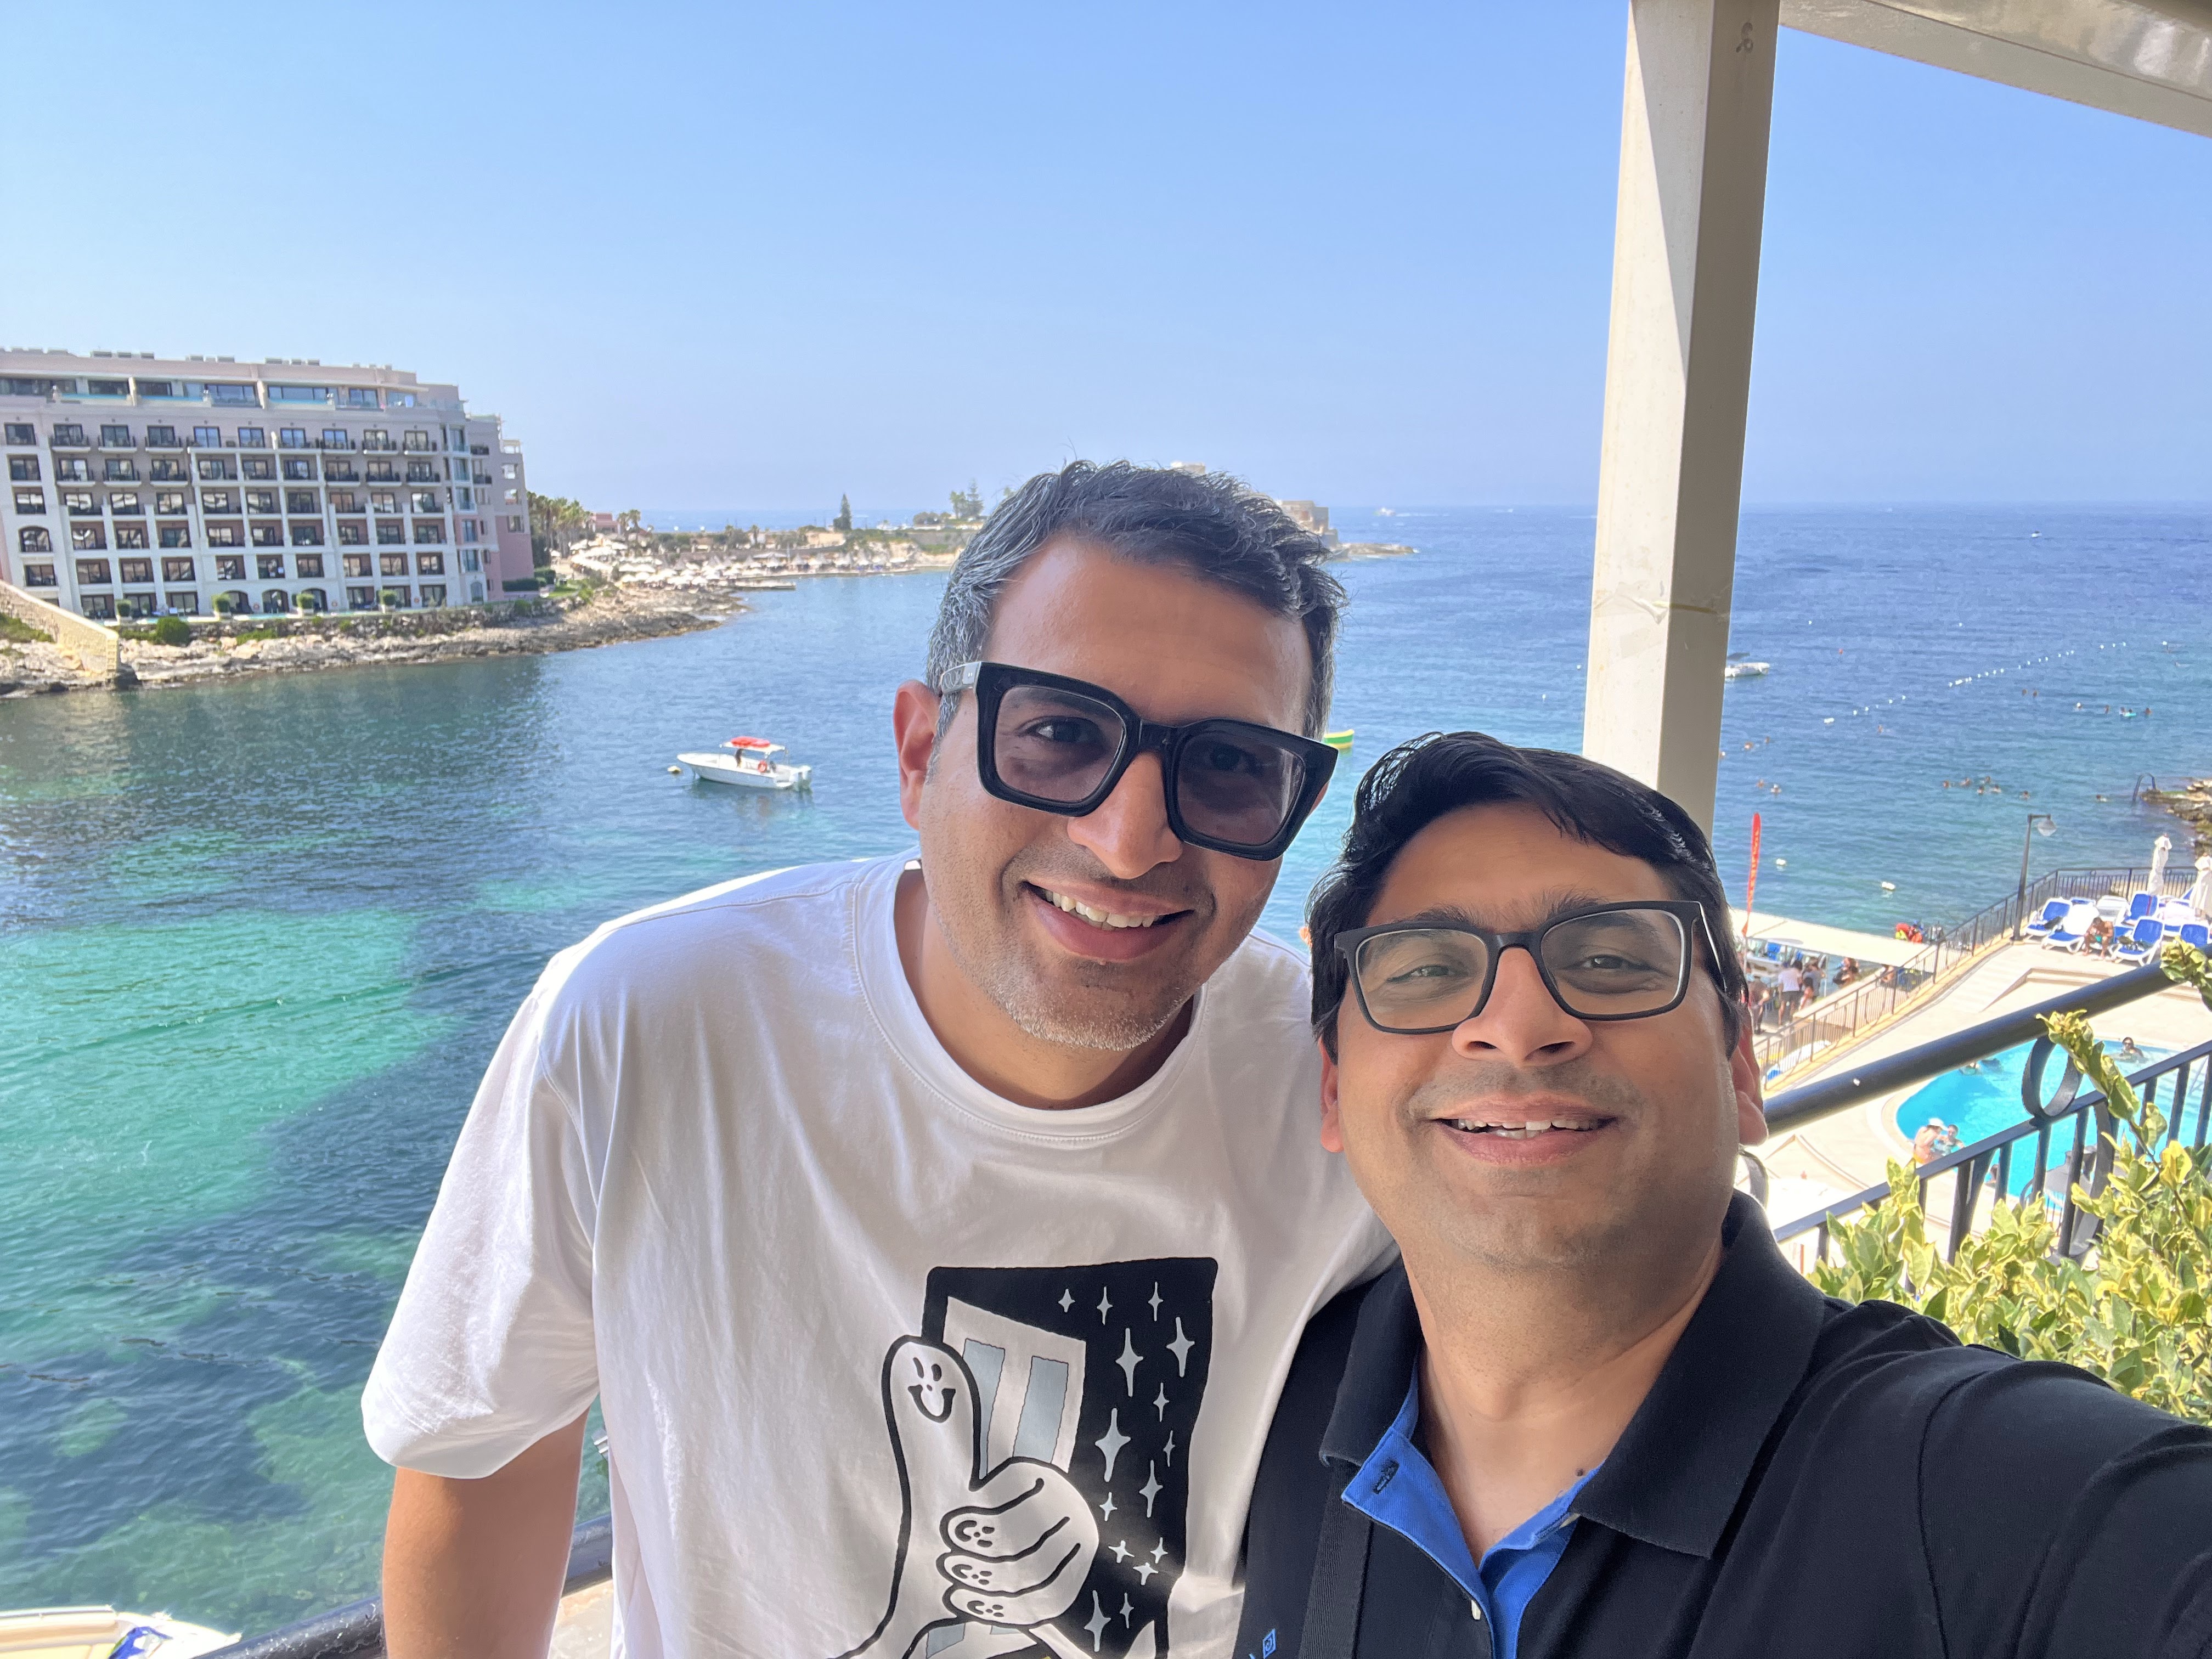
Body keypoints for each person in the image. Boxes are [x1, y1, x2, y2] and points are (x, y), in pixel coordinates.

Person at [364, 462, 1395, 1659]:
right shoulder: (648, 1025)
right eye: (1058, 733)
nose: (1128, 841)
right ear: (918, 754)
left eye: (1226, 765)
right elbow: (482, 1455)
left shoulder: (1350, 1089)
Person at [1235, 731, 2212, 1658]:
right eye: (1426, 971)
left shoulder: (1979, 1496)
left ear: (1741, 1064)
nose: (1518, 1024)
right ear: (1334, 1087)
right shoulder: (1274, 1406)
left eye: (1611, 961)